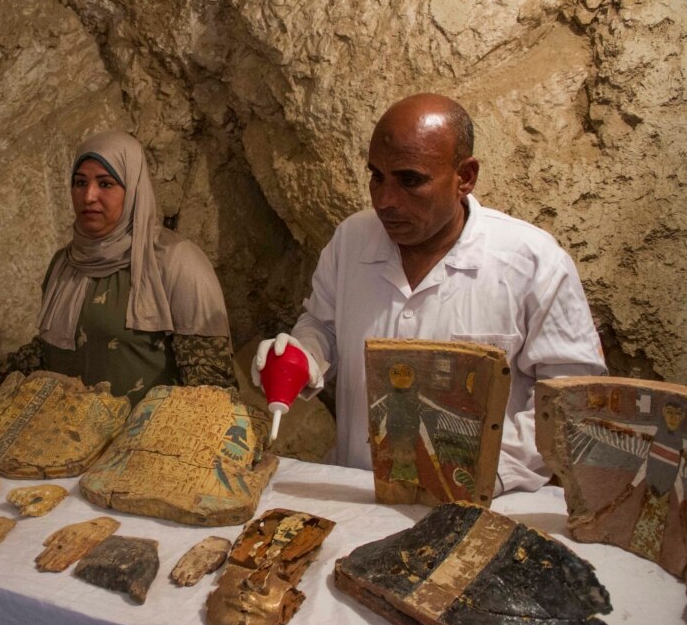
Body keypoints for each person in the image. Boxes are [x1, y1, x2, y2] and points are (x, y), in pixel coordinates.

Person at [252, 93, 607, 493]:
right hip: (358, 496)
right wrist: (304, 355)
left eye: (410, 180)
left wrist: (476, 471)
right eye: (376, 176)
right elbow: (323, 324)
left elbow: (572, 401)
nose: (385, 200)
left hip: (483, 505)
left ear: (465, 177)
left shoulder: (532, 263)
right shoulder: (352, 240)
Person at [0, 130, 236, 404]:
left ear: (133, 190)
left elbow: (210, 386)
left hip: (145, 441)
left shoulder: (175, 262)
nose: (89, 196)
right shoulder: (65, 263)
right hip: (67, 438)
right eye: (80, 182)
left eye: (105, 184)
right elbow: (49, 355)